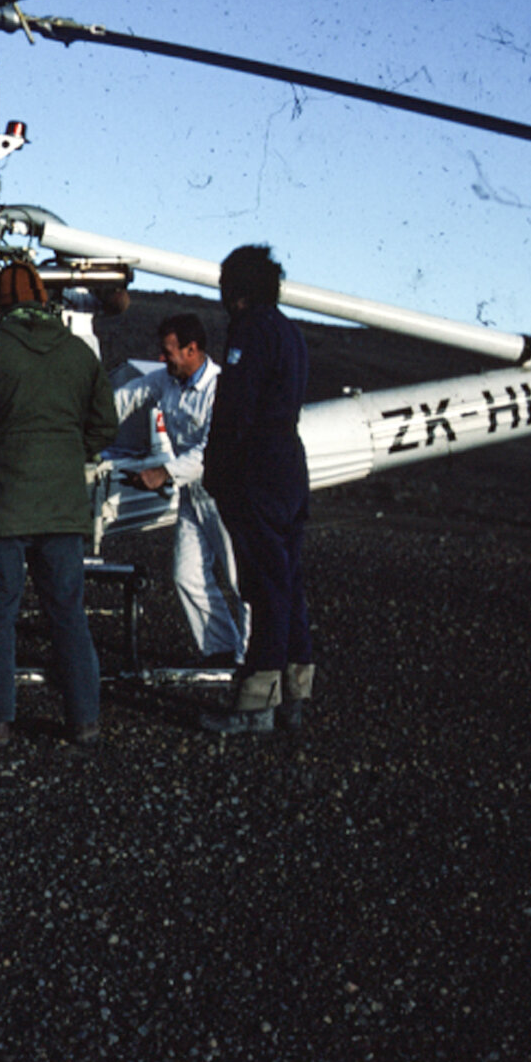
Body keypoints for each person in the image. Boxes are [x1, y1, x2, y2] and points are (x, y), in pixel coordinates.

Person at [0, 261, 118, 747]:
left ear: (0, 304)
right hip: (62, 506)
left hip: (2, 505)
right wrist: (66, 458)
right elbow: (106, 425)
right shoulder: (79, 354)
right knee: (67, 611)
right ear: (44, 302)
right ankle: (84, 720)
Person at [203, 244, 315, 733]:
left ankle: (255, 706)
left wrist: (217, 467)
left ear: (239, 289)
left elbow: (236, 408)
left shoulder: (250, 332)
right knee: (287, 579)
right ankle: (295, 691)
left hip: (257, 467)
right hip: (289, 463)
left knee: (265, 585)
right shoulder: (291, 333)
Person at [111, 313, 247, 667]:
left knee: (240, 579)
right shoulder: (167, 381)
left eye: (167, 351)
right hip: (193, 494)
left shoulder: (222, 389)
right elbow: (129, 396)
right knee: (186, 574)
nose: (161, 359)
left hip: (227, 494)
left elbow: (212, 448)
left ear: (191, 349)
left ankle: (252, 662)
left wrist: (164, 472)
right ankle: (219, 650)